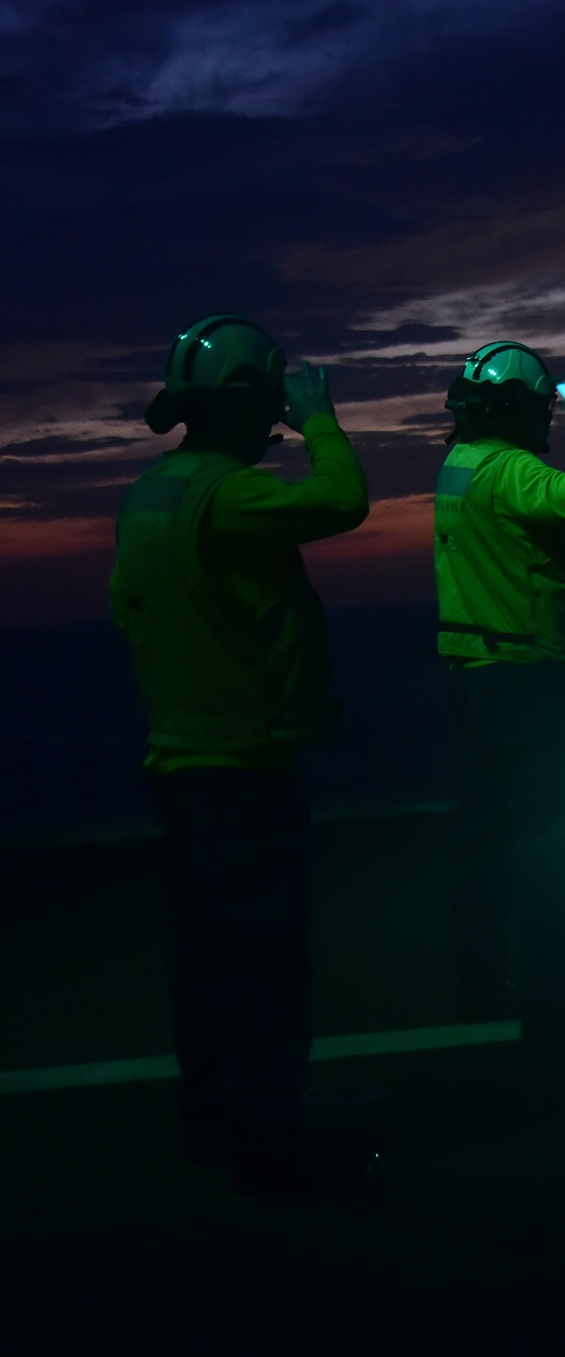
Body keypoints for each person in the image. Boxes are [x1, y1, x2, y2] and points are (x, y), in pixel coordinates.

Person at [111, 312, 374, 1194]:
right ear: (237, 403)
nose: (274, 423)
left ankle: (212, 1115)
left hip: (179, 755)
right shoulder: (227, 494)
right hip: (240, 764)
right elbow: (342, 501)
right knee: (263, 956)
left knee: (205, 955)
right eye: (266, 405)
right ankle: (270, 1140)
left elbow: (135, 611)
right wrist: (323, 422)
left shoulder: (152, 494)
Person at [434, 340, 565, 1041]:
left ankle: (479, 985)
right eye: (543, 407)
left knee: (485, 841)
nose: (549, 419)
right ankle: (551, 1004)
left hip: (471, 674)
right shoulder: (510, 470)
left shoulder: (457, 466)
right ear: (517, 410)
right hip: (526, 677)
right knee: (554, 843)